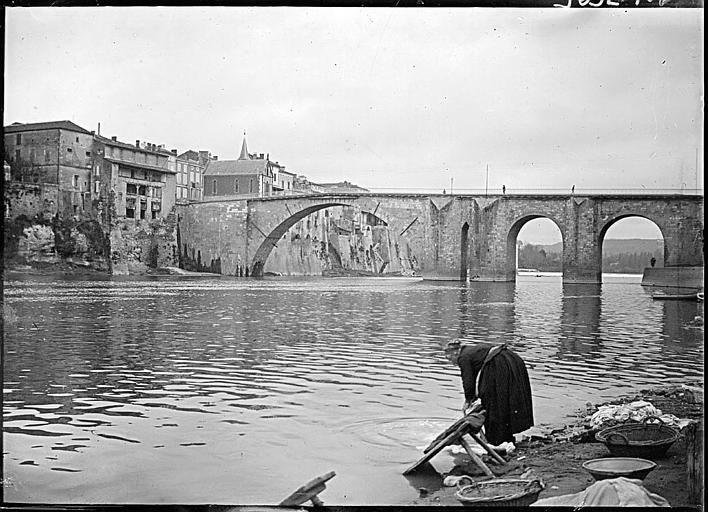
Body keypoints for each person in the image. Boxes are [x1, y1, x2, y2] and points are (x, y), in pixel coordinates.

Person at [444, 340, 534, 445]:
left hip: (500, 364)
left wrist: (468, 400)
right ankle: (506, 436)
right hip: (510, 360)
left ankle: (497, 440)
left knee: (494, 403)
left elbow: (468, 380)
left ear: (455, 353)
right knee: (504, 401)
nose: (452, 362)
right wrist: (473, 397)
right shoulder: (471, 351)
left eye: (450, 359)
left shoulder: (463, 357)